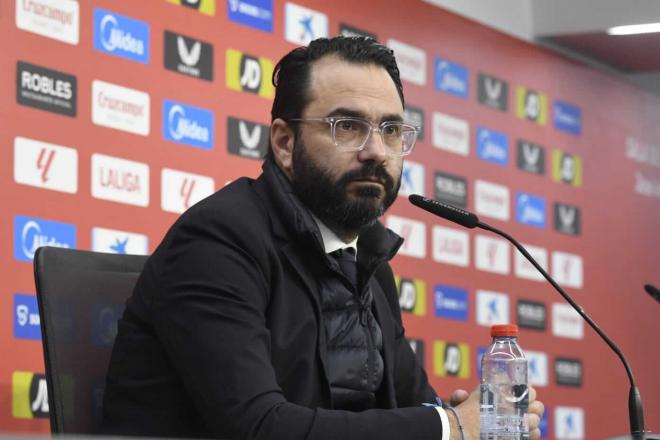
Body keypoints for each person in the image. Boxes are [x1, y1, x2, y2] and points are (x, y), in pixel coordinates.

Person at [101, 36, 544, 440]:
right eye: (347, 126)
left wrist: (475, 420)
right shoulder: (218, 241)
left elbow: (416, 406)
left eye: (391, 130)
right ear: (284, 143)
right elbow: (258, 427)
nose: (375, 151)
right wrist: (447, 426)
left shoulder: (368, 262)